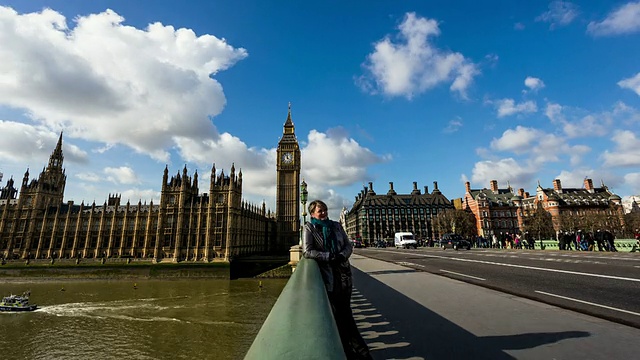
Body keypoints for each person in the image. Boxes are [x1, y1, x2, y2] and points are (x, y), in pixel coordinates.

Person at [302, 200, 372, 360]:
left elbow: (348, 245)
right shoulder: (309, 228)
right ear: (312, 213)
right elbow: (307, 251)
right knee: (341, 318)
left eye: (325, 210)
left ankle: (354, 353)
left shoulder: (336, 225)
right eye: (321, 211)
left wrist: (341, 255)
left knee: (344, 315)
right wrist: (329, 257)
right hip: (328, 280)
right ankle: (359, 353)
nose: (324, 213)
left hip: (344, 277)